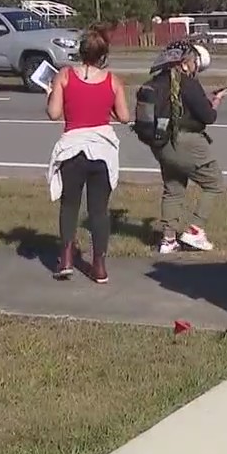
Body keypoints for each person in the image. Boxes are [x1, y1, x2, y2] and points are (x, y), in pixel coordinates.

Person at [45, 25, 130, 283]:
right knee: (99, 211)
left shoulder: (64, 76)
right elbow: (125, 117)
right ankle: (99, 265)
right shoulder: (112, 80)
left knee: (69, 205)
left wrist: (50, 95)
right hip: (101, 149)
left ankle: (67, 258)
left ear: (80, 52)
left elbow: (54, 113)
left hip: (73, 147)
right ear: (103, 55)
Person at [144, 41, 227, 254]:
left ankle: (168, 239)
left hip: (161, 144)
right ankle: (195, 229)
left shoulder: (156, 82)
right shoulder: (187, 84)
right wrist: (215, 102)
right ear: (187, 62)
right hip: (186, 142)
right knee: (214, 182)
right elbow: (207, 117)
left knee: (173, 188)